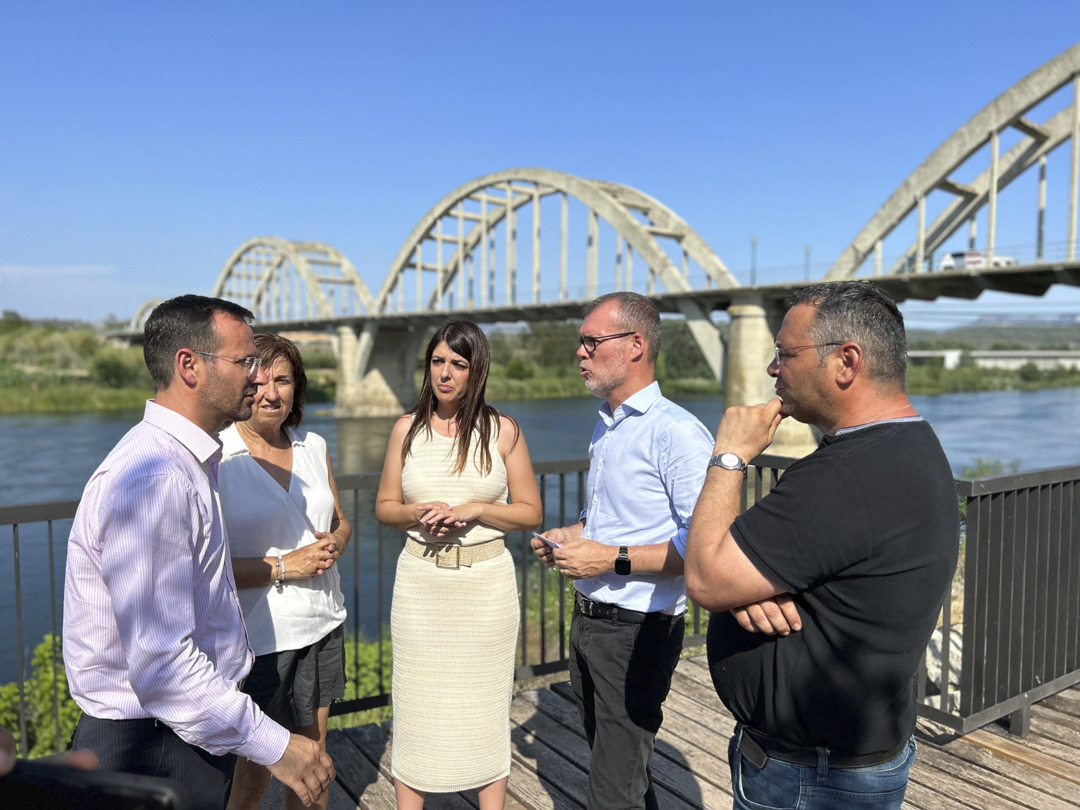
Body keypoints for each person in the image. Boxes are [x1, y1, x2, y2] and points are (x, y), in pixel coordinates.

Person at [685, 281, 960, 809]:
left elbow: (704, 577)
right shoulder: (908, 445)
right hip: (854, 754)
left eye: (786, 354)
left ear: (846, 361)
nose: (772, 369)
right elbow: (825, 564)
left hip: (811, 777)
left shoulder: (846, 478)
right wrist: (747, 586)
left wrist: (728, 457)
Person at [63, 295, 334, 810]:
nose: (257, 377)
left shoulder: (185, 462)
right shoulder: (156, 479)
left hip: (180, 729)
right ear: (189, 365)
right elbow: (162, 665)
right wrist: (278, 747)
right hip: (151, 743)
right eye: (245, 362)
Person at [529, 291, 714, 810]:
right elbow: (612, 518)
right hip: (589, 621)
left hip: (638, 632)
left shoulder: (677, 433)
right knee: (622, 772)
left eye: (592, 342)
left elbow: (702, 544)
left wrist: (608, 558)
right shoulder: (607, 425)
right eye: (581, 343)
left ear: (635, 345)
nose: (580, 354)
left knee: (613, 788)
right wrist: (576, 533)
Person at [375, 321, 542, 810]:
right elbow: (385, 505)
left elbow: (530, 511)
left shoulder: (502, 430)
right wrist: (417, 513)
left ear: (476, 370)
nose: (445, 374)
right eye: (437, 362)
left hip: (485, 585)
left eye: (458, 364)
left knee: (487, 709)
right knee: (415, 706)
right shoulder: (406, 429)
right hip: (421, 586)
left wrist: (475, 508)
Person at [217, 333, 350, 810]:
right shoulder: (217, 456)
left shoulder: (312, 444)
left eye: (284, 380)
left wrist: (334, 541)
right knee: (250, 779)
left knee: (313, 764)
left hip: (321, 625)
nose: (271, 392)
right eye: (259, 379)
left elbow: (339, 520)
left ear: (297, 387)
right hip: (258, 643)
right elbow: (199, 571)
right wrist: (282, 567)